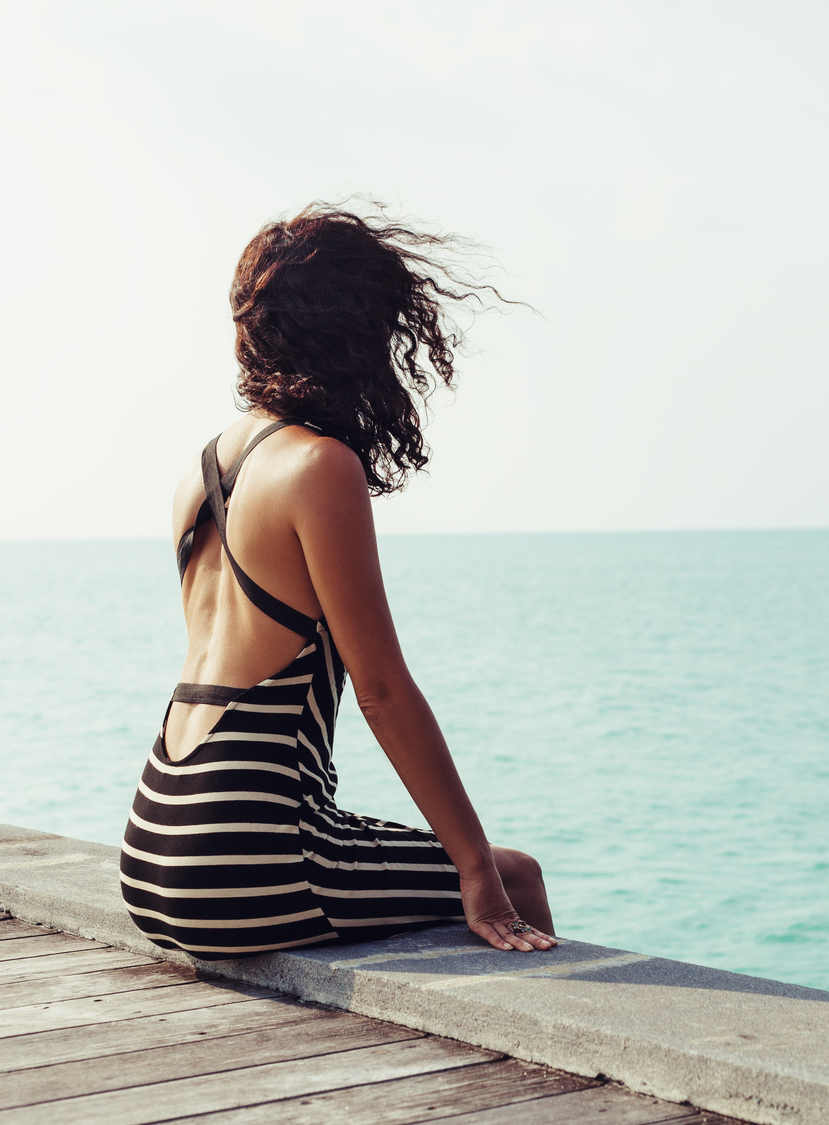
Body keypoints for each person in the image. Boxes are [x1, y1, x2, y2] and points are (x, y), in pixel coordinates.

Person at [120, 203, 556, 959]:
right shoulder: (320, 467)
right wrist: (477, 866)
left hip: (153, 847)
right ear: (351, 338)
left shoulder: (206, 465)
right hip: (243, 858)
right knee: (517, 880)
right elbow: (380, 688)